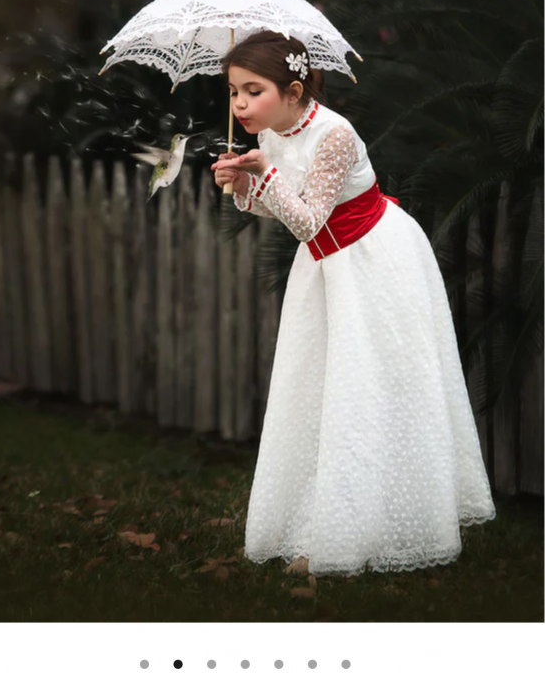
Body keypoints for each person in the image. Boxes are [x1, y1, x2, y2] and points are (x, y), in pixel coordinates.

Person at [211, 30, 496, 577]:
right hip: (323, 269)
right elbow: (280, 207)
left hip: (372, 262)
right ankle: (316, 524)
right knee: (318, 388)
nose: (240, 104)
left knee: (368, 387)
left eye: (252, 91)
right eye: (233, 92)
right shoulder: (270, 133)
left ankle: (383, 525)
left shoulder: (335, 135)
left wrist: (263, 174)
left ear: (294, 91)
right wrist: (243, 184)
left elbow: (307, 220)